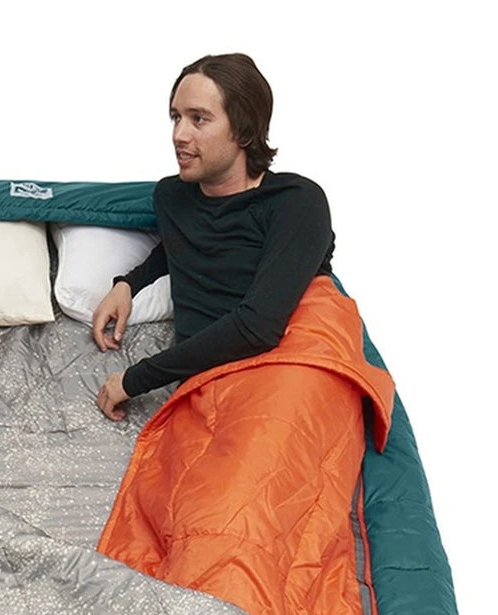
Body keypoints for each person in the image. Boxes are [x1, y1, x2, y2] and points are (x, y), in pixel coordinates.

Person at [92, 54, 334, 420]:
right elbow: (184, 244)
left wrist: (134, 379)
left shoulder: (295, 202)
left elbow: (257, 329)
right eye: (176, 117)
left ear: (244, 131)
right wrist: (127, 284)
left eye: (199, 119)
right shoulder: (172, 197)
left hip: (283, 374)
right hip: (205, 389)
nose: (179, 135)